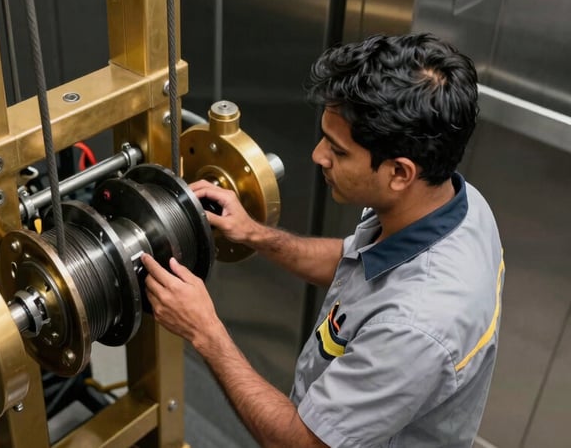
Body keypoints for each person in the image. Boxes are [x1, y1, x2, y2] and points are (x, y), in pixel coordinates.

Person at [140, 33, 505, 447]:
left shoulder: (417, 327)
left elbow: (302, 442)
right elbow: (354, 263)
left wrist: (205, 331)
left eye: (339, 151)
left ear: (400, 173)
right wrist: (254, 234)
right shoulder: (459, 204)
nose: (317, 156)